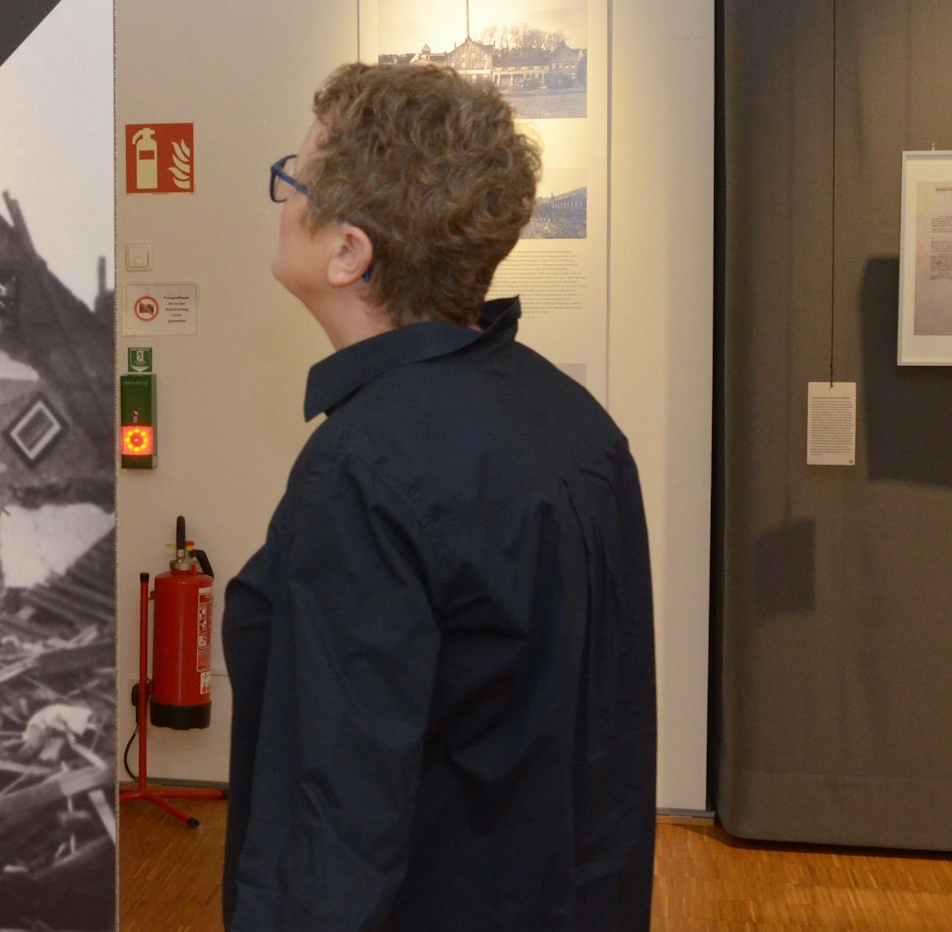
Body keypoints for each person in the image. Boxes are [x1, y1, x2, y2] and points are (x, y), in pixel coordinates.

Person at [221, 62, 656, 930]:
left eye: (293, 178)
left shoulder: (364, 467)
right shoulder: (574, 422)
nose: (280, 198)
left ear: (350, 252)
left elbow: (333, 824)